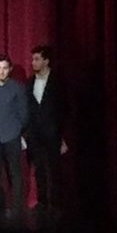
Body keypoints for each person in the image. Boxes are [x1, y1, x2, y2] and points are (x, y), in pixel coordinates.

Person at [25, 45, 68, 216]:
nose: (33, 62)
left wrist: (62, 134)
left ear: (46, 61)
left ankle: (57, 202)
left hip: (53, 133)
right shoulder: (29, 82)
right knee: (39, 169)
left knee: (54, 168)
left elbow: (64, 109)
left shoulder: (57, 82)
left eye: (37, 59)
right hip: (35, 135)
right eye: (32, 59)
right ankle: (42, 202)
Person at [0, 54, 28, 216]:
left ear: (10, 70)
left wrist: (17, 131)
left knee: (14, 173)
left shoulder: (17, 88)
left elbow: (24, 114)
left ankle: (16, 208)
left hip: (11, 135)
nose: (1, 72)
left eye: (5, 68)